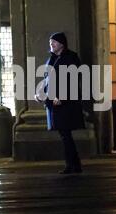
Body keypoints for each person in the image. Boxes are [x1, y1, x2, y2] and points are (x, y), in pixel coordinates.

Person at [35, 32, 85, 174]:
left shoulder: (71, 57)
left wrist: (62, 96)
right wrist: (41, 93)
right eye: (50, 43)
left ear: (62, 44)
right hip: (54, 101)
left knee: (65, 134)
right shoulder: (51, 59)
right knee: (64, 134)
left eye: (54, 42)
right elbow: (47, 79)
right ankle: (73, 165)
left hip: (65, 102)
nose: (51, 45)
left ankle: (73, 165)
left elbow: (73, 79)